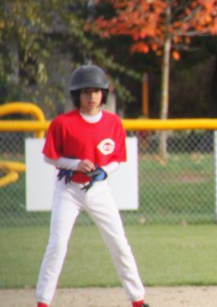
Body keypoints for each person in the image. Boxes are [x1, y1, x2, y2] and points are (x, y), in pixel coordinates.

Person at [36, 65, 149, 307]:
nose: (92, 97)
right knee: (57, 244)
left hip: (97, 190)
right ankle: (42, 301)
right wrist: (75, 164)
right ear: (77, 95)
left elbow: (118, 159)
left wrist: (103, 171)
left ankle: (137, 299)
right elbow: (49, 156)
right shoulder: (63, 123)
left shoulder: (113, 122)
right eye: (86, 92)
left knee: (118, 242)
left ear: (103, 94)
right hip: (68, 190)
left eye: (97, 91)